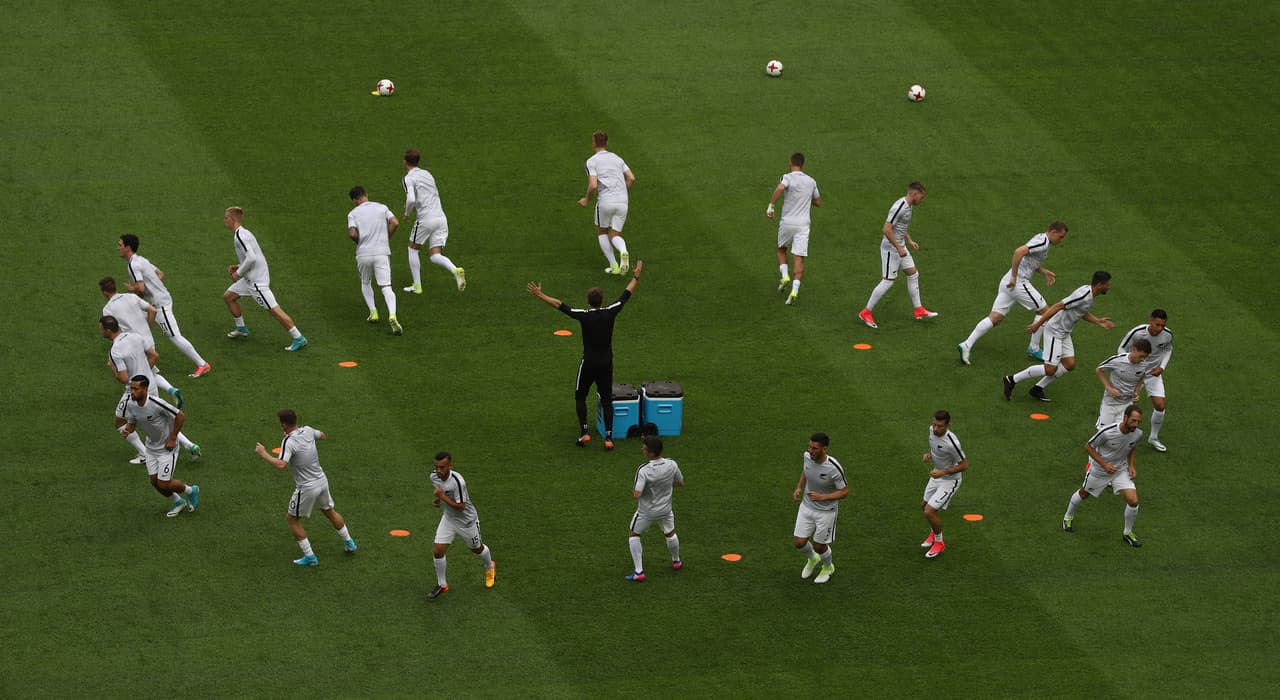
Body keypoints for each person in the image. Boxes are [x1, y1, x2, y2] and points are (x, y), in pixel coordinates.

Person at [527, 261, 643, 449]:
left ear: (588, 302)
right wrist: (636, 276)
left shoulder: (584, 315)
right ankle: (608, 438)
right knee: (606, 399)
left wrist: (540, 294)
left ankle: (584, 432)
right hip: (606, 363)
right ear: (602, 301)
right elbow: (625, 295)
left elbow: (559, 305)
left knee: (580, 396)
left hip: (589, 362)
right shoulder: (610, 313)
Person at [254, 410, 357, 566]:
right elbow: (322, 435)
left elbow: (281, 465)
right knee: (329, 511)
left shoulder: (288, 441)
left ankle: (310, 557)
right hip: (322, 480)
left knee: (292, 519)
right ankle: (349, 542)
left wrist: (263, 453)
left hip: (307, 487)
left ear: (283, 424)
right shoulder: (308, 430)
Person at [957, 222, 1068, 365]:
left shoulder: (1041, 239)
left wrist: (1043, 271)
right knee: (1045, 312)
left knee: (995, 318)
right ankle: (1033, 348)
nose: (1061, 240)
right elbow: (1018, 252)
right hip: (1018, 283)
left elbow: (1029, 260)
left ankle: (966, 345)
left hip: (1008, 283)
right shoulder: (1042, 242)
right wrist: (1015, 277)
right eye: (1061, 237)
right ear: (1053, 232)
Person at [1002, 270, 1115, 403]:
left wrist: (1098, 321)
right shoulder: (1083, 295)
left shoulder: (1090, 295)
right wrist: (1038, 324)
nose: (1109, 286)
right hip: (1055, 331)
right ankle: (1012, 379)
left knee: (1069, 364)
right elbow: (1058, 306)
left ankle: (1037, 388)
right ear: (1100, 285)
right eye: (1107, 284)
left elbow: (1081, 312)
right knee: (1050, 369)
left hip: (1064, 332)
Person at [101, 315, 200, 463]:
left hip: (133, 391)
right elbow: (154, 355)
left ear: (108, 330)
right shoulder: (135, 336)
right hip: (150, 384)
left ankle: (144, 454)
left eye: (101, 329)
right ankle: (190, 445)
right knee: (161, 418)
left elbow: (123, 378)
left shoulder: (115, 350)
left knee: (120, 422)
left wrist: (113, 368)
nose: (100, 331)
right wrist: (145, 372)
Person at [117, 235, 212, 377]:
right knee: (135, 325)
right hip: (156, 302)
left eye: (120, 245)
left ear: (127, 247)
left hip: (160, 305)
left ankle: (202, 364)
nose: (118, 247)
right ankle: (148, 363)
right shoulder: (142, 260)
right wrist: (151, 287)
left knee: (174, 336)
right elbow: (160, 274)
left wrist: (133, 289)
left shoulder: (133, 265)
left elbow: (141, 288)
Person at [222, 207, 309, 351]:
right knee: (228, 297)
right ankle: (241, 328)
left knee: (274, 310)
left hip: (256, 283)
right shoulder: (244, 232)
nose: (224, 221)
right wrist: (238, 266)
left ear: (233, 219)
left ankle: (298, 337)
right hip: (251, 278)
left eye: (226, 218)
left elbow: (251, 258)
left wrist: (238, 273)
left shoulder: (240, 236)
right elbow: (253, 258)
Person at [1061, 404, 1145, 548]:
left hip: (1120, 471)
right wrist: (1104, 464)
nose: (1135, 425)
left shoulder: (1137, 433)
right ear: (1125, 417)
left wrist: (1131, 466)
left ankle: (1127, 532)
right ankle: (1068, 517)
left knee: (1133, 501)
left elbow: (1132, 448)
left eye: (1138, 422)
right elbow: (1088, 446)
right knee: (1084, 493)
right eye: (1133, 421)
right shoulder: (1107, 432)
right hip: (1100, 471)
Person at [119, 375, 201, 518]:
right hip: (151, 448)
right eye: (131, 388)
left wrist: (173, 438)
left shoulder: (156, 403)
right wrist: (129, 429)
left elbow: (180, 415)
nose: (132, 392)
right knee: (154, 482)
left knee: (164, 484)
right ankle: (179, 501)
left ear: (145, 389)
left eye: (135, 389)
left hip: (167, 449)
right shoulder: (131, 404)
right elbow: (132, 421)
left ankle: (191, 490)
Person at [858, 182, 936, 328]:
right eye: (922, 196)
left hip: (900, 246)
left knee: (913, 274)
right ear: (914, 194)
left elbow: (901, 226)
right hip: (891, 249)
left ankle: (918, 309)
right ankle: (866, 312)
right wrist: (899, 247)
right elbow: (887, 229)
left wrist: (909, 241)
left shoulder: (909, 206)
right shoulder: (899, 207)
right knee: (888, 281)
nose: (922, 199)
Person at [428, 452, 496, 600]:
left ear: (449, 466)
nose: (438, 470)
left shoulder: (458, 482)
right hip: (449, 519)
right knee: (438, 551)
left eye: (442, 467)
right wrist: (437, 500)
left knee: (477, 549)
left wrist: (441, 497)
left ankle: (490, 567)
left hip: (467, 522)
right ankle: (442, 584)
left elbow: (461, 507)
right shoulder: (434, 476)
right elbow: (441, 490)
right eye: (436, 467)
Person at [401, 149, 465, 295]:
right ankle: (455, 270)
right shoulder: (428, 174)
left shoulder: (408, 178)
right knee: (435, 255)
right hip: (441, 218)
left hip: (426, 219)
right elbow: (429, 196)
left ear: (405, 162)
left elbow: (411, 199)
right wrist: (414, 205)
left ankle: (417, 286)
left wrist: (406, 213)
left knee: (412, 248)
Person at [624, 436, 685, 582]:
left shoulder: (644, 470)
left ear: (651, 453)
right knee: (670, 533)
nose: (642, 449)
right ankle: (676, 561)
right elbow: (679, 483)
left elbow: (637, 494)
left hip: (647, 511)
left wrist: (650, 488)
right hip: (665, 509)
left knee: (634, 534)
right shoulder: (672, 464)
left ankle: (639, 571)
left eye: (644, 448)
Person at [792, 432, 848, 584]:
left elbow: (845, 492)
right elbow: (806, 470)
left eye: (815, 448)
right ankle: (812, 559)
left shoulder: (833, 467)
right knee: (799, 542)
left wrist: (823, 497)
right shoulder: (807, 456)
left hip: (825, 512)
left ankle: (828, 567)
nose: (811, 451)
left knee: (819, 545)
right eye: (809, 447)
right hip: (806, 507)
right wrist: (799, 488)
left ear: (824, 449)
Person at [767, 152, 822, 305]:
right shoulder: (811, 181)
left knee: (781, 249)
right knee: (799, 257)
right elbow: (818, 202)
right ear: (803, 166)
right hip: (803, 225)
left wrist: (771, 206)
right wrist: (805, 197)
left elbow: (779, 189)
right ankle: (794, 291)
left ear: (790, 164)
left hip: (787, 222)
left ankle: (785, 276)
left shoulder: (787, 177)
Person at [577, 131, 634, 275]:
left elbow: (593, 185)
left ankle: (614, 266)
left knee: (602, 231)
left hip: (606, 201)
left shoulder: (592, 161)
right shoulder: (617, 158)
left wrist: (586, 200)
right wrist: (622, 190)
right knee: (615, 234)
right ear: (607, 143)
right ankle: (623, 251)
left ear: (593, 143)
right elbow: (631, 178)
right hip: (622, 201)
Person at [347, 186, 402, 334]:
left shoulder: (353, 213)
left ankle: (373, 312)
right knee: (386, 286)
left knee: (366, 282)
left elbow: (352, 234)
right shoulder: (382, 207)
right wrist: (387, 237)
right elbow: (395, 222)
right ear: (366, 194)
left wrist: (360, 241)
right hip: (381, 252)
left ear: (354, 200)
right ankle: (392, 314)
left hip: (363, 253)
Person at [1118, 309, 1174, 452]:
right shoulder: (1137, 332)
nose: (1160, 329)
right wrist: (1129, 365)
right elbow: (1121, 348)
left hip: (1152, 374)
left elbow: (1168, 349)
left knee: (1160, 405)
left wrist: (1162, 367)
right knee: (1125, 405)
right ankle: (1119, 435)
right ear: (1150, 321)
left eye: (1163, 325)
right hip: (1134, 372)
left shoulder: (1167, 335)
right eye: (1157, 325)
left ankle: (1153, 437)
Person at [919, 411, 968, 559]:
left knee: (929, 511)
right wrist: (930, 454)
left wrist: (944, 472)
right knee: (924, 505)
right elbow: (936, 448)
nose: (935, 428)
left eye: (939, 426)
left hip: (950, 480)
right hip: (937, 474)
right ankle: (934, 534)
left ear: (947, 425)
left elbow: (964, 465)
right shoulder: (931, 430)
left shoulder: (953, 443)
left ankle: (939, 542)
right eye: (934, 424)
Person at [1094, 339, 1151, 430]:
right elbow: (1099, 370)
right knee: (1104, 432)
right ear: (1134, 350)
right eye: (1141, 356)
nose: (1142, 359)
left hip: (1127, 404)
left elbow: (1142, 378)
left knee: (1121, 432)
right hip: (1110, 403)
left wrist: (1136, 392)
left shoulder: (1144, 365)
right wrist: (1108, 388)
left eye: (1145, 357)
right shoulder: (1117, 360)